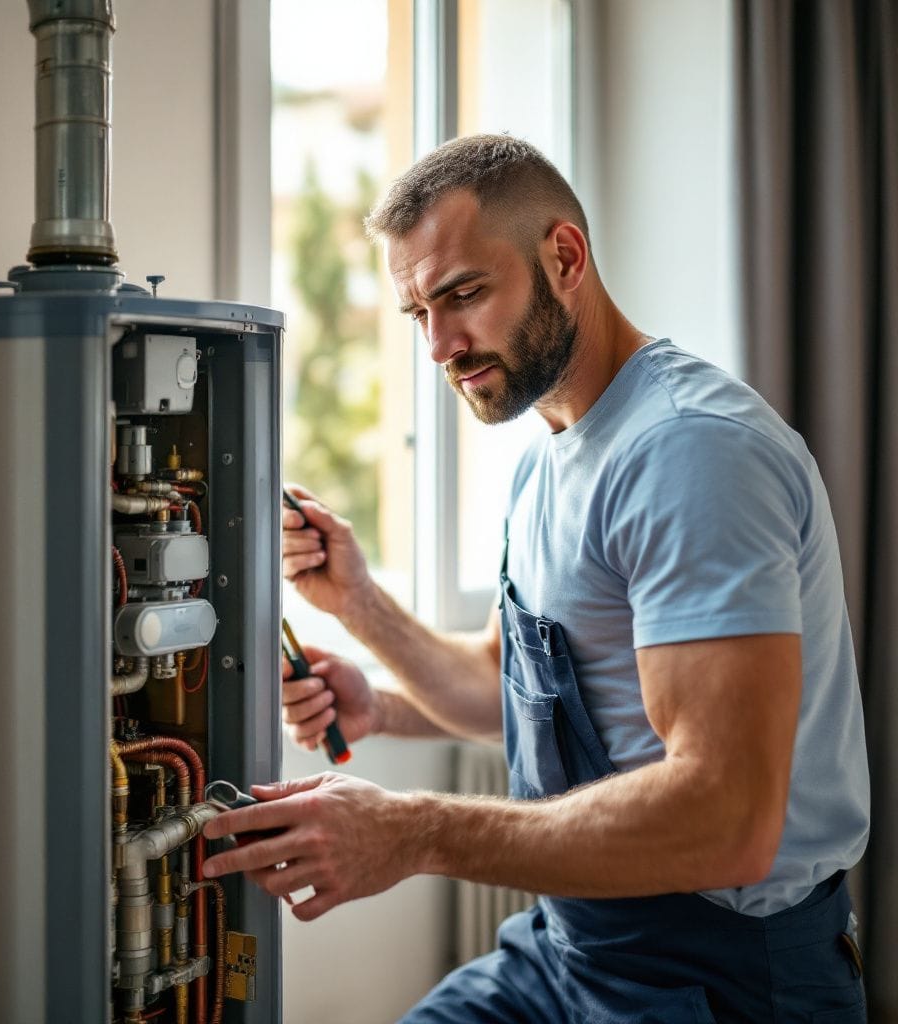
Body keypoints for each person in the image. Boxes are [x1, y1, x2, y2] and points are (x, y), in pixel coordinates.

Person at [202, 134, 871, 1022]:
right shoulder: (550, 457)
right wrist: (363, 625)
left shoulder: (690, 454)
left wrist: (410, 832)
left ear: (563, 257)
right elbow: (504, 686)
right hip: (568, 952)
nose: (440, 345)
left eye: (464, 295)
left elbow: (728, 819)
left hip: (722, 981)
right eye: (418, 314)